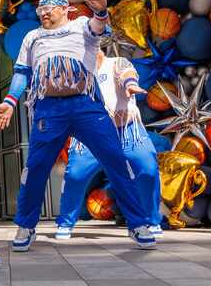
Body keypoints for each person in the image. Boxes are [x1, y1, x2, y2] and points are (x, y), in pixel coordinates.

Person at [0, 0, 157, 250]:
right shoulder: (32, 37)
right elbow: (22, 72)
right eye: (40, 9)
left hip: (86, 105)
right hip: (48, 109)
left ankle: (138, 224)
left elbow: (98, 26)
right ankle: (25, 226)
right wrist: (11, 100)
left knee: (115, 160)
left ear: (63, 9)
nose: (44, 12)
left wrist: (101, 10)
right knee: (35, 168)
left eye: (49, 8)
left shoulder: (81, 25)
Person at [55, 49, 162, 239]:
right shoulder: (76, 73)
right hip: (91, 134)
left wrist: (130, 85)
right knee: (75, 175)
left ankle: (150, 220)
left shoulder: (116, 62)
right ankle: (65, 222)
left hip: (127, 130)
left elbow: (127, 75)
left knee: (147, 168)